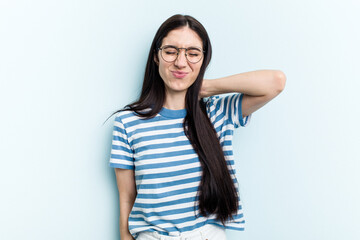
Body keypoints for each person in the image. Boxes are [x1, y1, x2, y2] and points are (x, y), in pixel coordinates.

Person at [107, 14, 286, 240]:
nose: (181, 62)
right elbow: (127, 197)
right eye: (171, 51)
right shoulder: (127, 122)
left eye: (192, 54)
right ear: (156, 56)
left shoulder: (217, 112)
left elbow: (276, 82)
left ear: (203, 60)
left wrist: (207, 87)